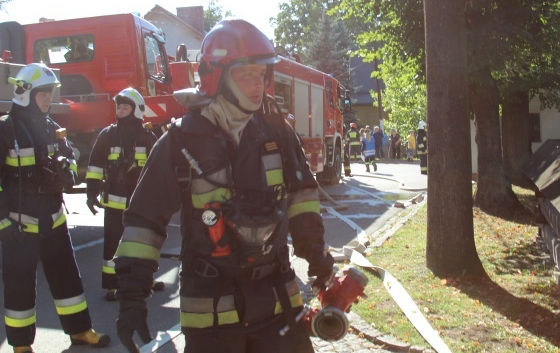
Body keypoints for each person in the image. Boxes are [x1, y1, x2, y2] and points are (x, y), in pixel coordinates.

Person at [113, 19, 336, 353]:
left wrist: (316, 254)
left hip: (277, 302)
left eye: (261, 74)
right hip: (211, 313)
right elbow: (144, 223)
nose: (257, 85)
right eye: (246, 75)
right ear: (217, 76)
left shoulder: (277, 133)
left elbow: (302, 199)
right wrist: (132, 297)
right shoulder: (180, 141)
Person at [0, 63, 110, 352]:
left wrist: (69, 170)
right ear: (24, 93)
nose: (49, 99)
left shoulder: (50, 127)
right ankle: (21, 346)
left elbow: (69, 156)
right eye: (43, 94)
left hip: (54, 220)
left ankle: (81, 331)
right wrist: (3, 221)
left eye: (50, 93)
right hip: (19, 225)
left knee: (67, 280)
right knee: (19, 285)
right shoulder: (5, 130)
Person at [85, 88, 163, 302]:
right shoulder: (108, 134)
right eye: (118, 107)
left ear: (136, 110)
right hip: (115, 203)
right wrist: (91, 193)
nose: (120, 110)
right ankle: (113, 285)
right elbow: (94, 165)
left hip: (141, 203)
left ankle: (145, 279)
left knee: (143, 242)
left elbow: (158, 169)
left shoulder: (148, 136)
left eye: (125, 107)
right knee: (113, 242)